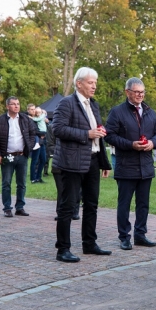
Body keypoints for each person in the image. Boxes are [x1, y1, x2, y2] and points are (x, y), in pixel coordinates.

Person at [53, 67, 112, 263]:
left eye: (95, 83)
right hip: (71, 162)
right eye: (90, 82)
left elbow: (97, 134)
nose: (94, 86)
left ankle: (89, 244)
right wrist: (86, 134)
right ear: (79, 84)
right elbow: (58, 129)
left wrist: (104, 162)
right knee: (68, 206)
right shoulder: (66, 103)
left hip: (93, 160)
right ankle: (63, 249)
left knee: (92, 204)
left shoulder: (93, 104)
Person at [105, 77, 156, 251]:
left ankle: (140, 234)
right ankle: (124, 237)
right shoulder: (117, 112)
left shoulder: (150, 112)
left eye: (142, 92)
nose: (140, 95)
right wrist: (130, 144)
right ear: (127, 92)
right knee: (124, 204)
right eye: (136, 92)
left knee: (143, 203)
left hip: (145, 165)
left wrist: (153, 143)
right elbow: (110, 135)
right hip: (126, 165)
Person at [0, 96, 37, 218]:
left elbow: (33, 133)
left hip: (22, 156)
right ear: (7, 106)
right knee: (6, 183)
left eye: (18, 103)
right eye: (13, 104)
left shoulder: (25, 119)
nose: (16, 106)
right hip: (7, 157)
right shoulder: (0, 120)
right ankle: (7, 208)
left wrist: (29, 147)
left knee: (21, 183)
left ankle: (20, 207)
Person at [30, 107, 48, 183]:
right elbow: (33, 131)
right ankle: (33, 178)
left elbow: (45, 127)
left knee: (43, 160)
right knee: (35, 160)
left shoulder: (39, 118)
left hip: (42, 141)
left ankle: (38, 177)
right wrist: (42, 134)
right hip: (36, 141)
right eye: (32, 109)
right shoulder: (31, 120)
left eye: (35, 109)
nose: (34, 111)